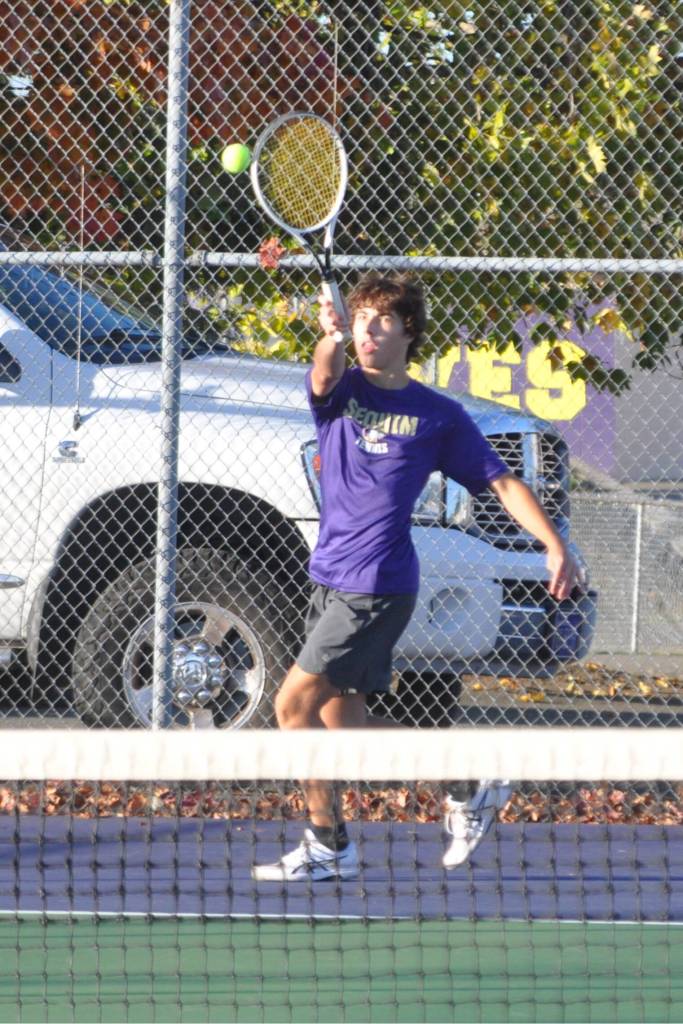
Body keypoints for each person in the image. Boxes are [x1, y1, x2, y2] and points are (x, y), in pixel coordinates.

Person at [252, 273, 581, 882]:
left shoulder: (438, 416)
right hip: (329, 576)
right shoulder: (341, 391)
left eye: (383, 320)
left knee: (292, 706)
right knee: (342, 727)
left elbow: (501, 482)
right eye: (361, 319)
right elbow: (322, 369)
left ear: (408, 331)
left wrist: (553, 542)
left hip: (378, 586)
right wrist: (330, 335)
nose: (369, 331)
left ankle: (328, 844)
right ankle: (466, 780)